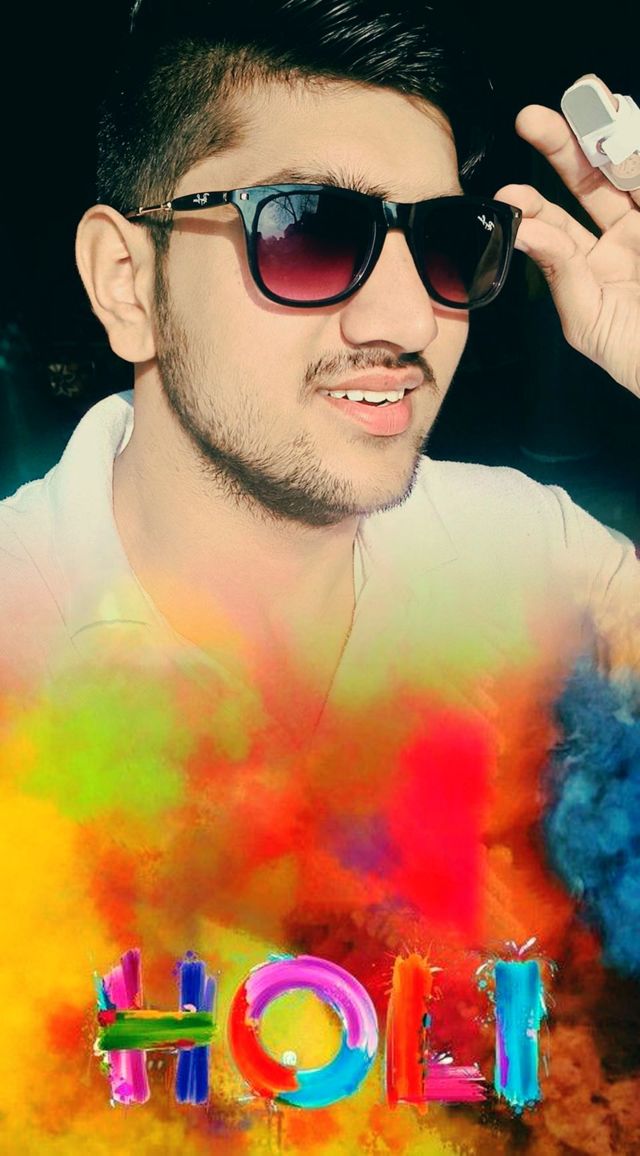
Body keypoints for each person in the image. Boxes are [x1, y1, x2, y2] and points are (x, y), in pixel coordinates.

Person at [0, 2, 638, 1153]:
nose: (407, 317)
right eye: (304, 230)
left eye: (441, 243)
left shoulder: (532, 561)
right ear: (127, 282)